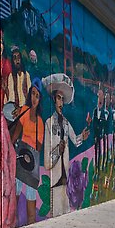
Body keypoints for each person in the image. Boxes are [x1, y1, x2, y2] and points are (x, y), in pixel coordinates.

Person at [42, 73, 90, 217]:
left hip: (66, 180)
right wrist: (58, 150)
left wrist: (83, 136)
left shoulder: (67, 123)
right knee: (56, 214)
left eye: (63, 99)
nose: (61, 102)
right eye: (58, 98)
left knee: (66, 214)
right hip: (55, 180)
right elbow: (46, 162)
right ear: (54, 99)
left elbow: (75, 140)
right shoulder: (49, 123)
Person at [10, 78, 45, 225]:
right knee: (14, 203)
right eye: (33, 94)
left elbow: (38, 148)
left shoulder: (40, 122)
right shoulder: (24, 111)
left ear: (40, 99)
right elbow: (15, 135)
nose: (34, 98)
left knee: (31, 211)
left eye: (37, 96)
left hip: (32, 165)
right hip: (20, 159)